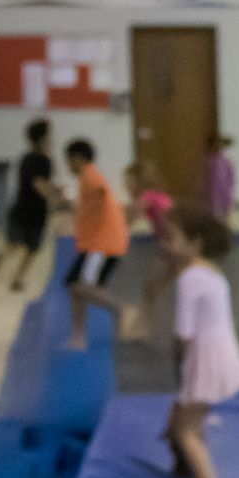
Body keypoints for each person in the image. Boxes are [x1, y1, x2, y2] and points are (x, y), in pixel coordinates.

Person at [163, 205, 239, 478]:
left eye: (172, 238)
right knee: (194, 423)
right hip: (224, 353)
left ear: (195, 243)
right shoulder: (212, 271)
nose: (166, 244)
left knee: (185, 432)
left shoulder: (189, 278)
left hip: (205, 358)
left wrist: (182, 368)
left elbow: (184, 332)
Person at [60, 139, 132, 351]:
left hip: (102, 244)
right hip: (95, 243)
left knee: (82, 287)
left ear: (78, 159)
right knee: (75, 287)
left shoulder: (90, 177)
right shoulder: (87, 178)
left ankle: (121, 309)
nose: (68, 166)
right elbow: (88, 206)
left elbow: (101, 192)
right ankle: (79, 336)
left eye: (69, 161)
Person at [0, 119, 54, 292]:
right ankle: (17, 278)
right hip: (34, 211)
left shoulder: (26, 158)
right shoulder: (42, 160)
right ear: (42, 138)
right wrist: (56, 197)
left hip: (20, 208)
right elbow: (39, 185)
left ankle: (0, 257)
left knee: (15, 244)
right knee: (32, 247)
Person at [119, 162, 175, 339]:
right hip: (168, 245)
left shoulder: (147, 197)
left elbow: (126, 221)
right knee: (150, 288)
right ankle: (144, 327)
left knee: (151, 288)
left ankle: (143, 327)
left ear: (137, 181)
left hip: (171, 247)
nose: (125, 185)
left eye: (128, 181)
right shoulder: (153, 195)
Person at [202, 132, 237, 221]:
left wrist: (230, 189)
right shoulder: (207, 161)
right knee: (213, 211)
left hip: (225, 191)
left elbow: (231, 177)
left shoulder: (226, 161)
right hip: (212, 191)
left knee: (225, 212)